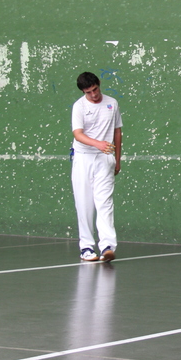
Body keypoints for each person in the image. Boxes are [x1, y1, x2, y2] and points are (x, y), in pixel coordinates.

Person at [71, 72, 122, 262]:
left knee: (105, 203)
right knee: (84, 204)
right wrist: (98, 144)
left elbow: (117, 132)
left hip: (105, 160)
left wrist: (117, 159)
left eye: (95, 89)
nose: (93, 95)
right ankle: (86, 247)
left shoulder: (112, 103)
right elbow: (78, 134)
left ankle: (108, 246)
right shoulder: (79, 106)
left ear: (99, 84)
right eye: (88, 92)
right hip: (83, 159)